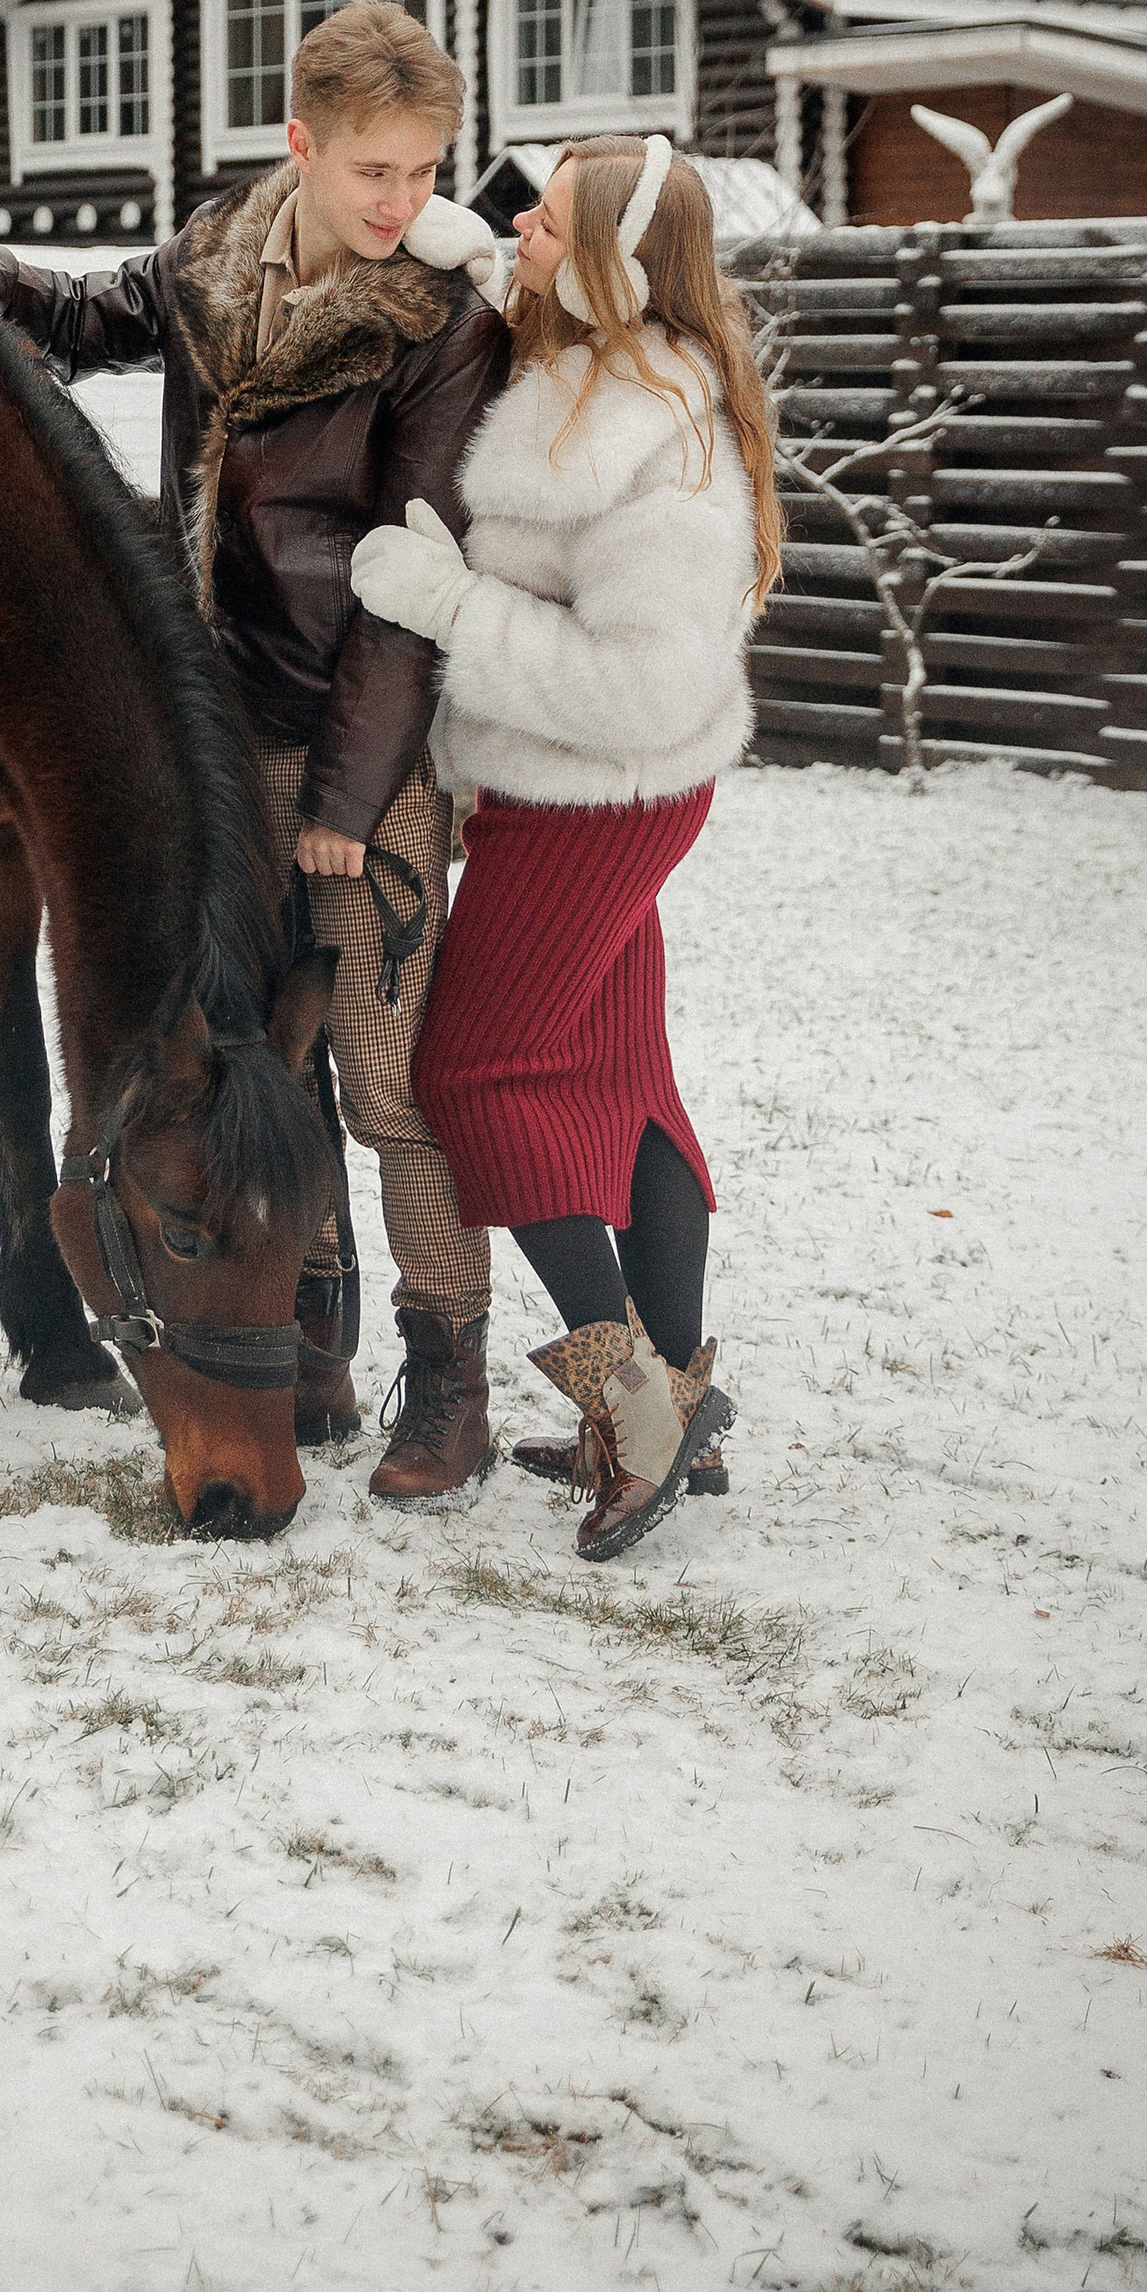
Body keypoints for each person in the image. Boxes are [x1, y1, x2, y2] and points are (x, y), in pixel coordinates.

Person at [0, 0, 509, 1496]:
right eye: (371, 170)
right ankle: (313, 1340)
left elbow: (408, 593)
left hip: (361, 748)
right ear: (301, 145)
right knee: (257, 1067)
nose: (399, 203)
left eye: (424, 172)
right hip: (214, 749)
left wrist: (353, 798)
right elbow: (107, 310)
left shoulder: (441, 327)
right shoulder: (225, 252)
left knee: (382, 1074)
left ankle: (453, 1379)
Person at [350, 133, 780, 1559]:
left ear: (610, 266)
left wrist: (456, 606)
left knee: (471, 1070)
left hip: (602, 791)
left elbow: (643, 683)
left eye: (545, 218)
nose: (512, 219)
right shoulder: (607, 357)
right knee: (624, 1079)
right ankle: (685, 1400)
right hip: (585, 795)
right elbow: (519, 284)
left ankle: (638, 1420)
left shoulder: (656, 435)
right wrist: (473, 258)